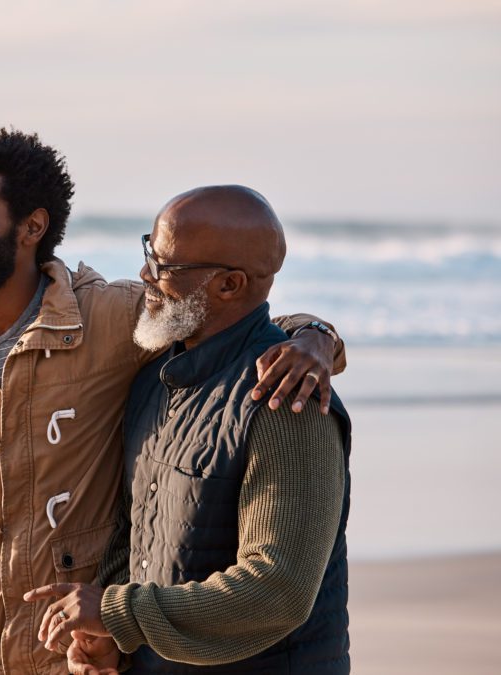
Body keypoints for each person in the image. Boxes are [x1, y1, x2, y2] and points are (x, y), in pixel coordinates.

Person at [0, 130, 345, 675]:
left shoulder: (116, 322)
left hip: (69, 647)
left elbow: (243, 323)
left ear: (32, 227)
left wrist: (315, 337)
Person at [24, 185, 352, 674]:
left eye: (164, 266)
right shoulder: (154, 380)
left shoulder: (288, 402)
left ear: (229, 285)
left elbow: (277, 590)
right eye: (147, 251)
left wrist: (117, 612)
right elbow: (134, 535)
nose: (144, 275)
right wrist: (114, 639)